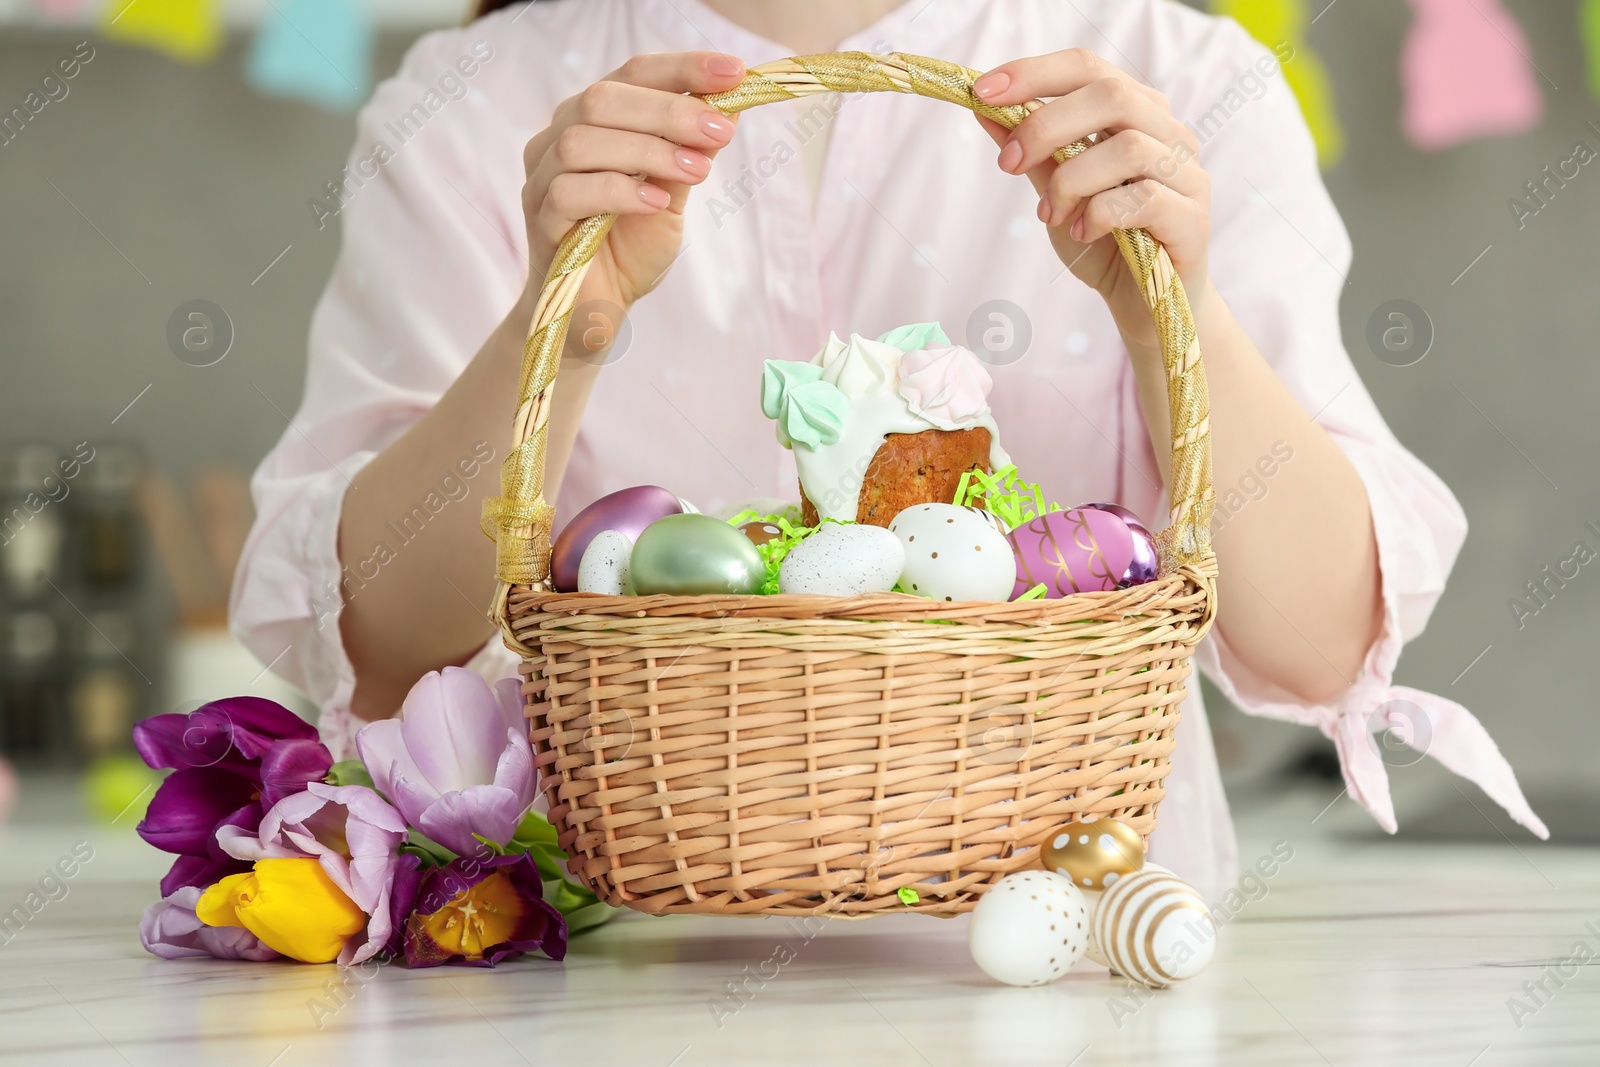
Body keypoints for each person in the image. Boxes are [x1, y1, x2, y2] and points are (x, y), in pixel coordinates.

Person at [232, 0, 1544, 898]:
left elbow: (1317, 641)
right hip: (609, 972)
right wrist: (556, 333)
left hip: (1076, 961)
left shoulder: (1172, 74)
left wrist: (1171, 314)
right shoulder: (477, 96)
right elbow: (386, 648)